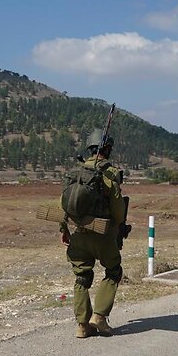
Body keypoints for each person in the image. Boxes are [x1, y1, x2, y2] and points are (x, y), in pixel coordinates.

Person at [60, 129, 129, 338]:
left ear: (89, 149)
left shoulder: (77, 173)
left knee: (82, 276)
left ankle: (82, 325)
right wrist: (118, 229)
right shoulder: (109, 174)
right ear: (107, 149)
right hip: (102, 234)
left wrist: (64, 230)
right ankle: (99, 317)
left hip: (78, 234)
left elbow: (64, 204)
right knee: (114, 271)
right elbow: (118, 212)